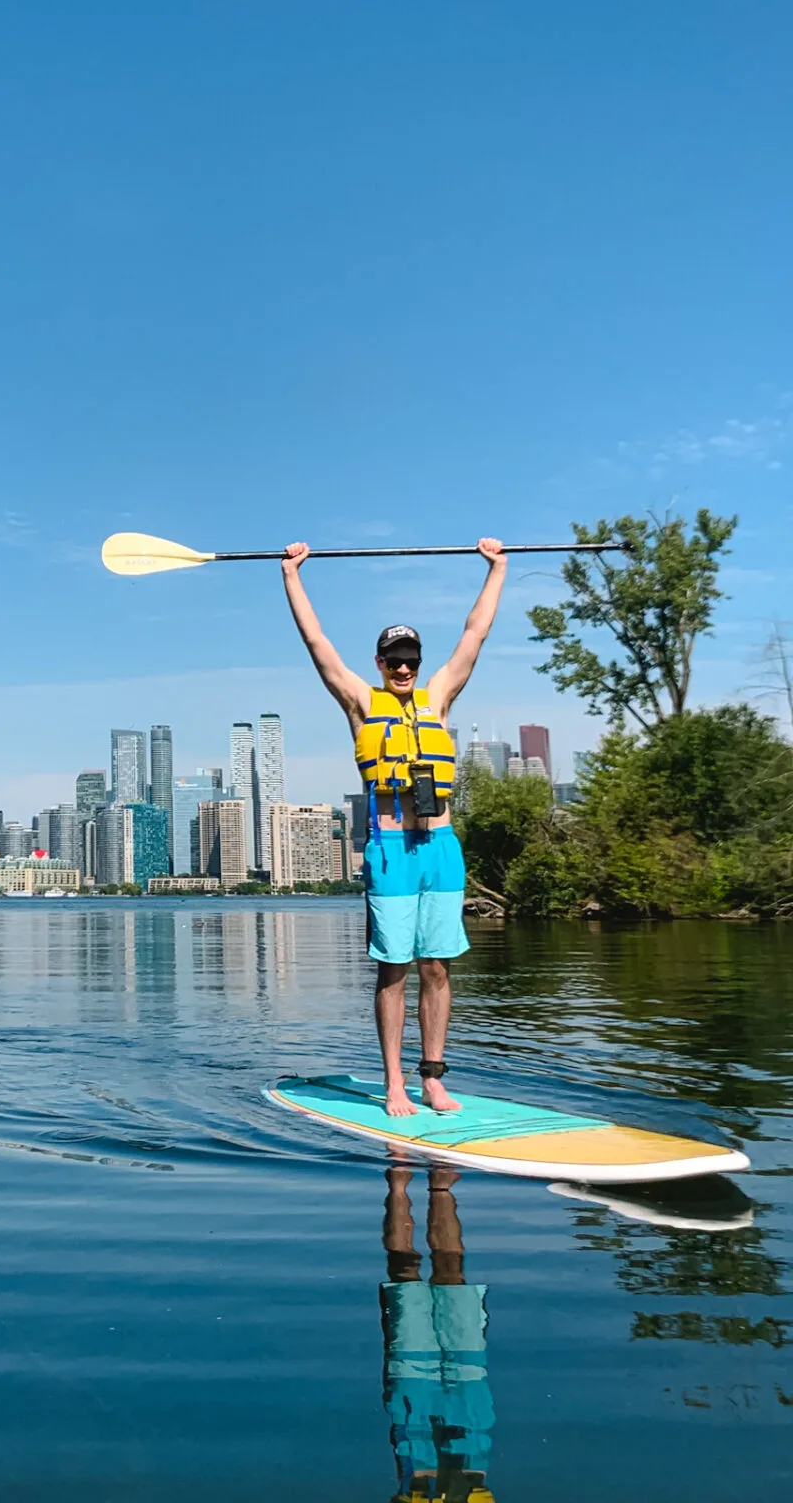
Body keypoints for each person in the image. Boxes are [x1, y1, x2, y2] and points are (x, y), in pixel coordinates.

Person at [281, 538, 507, 1116]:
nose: (404, 667)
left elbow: (474, 636)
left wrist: (497, 568)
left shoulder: (438, 699)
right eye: (394, 659)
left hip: (441, 846)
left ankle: (433, 1076)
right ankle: (394, 1083)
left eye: (411, 658)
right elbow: (317, 645)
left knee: (437, 965)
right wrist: (292, 576)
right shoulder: (361, 700)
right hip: (390, 848)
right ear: (380, 664)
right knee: (394, 968)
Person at [380, 1165, 496, 1503]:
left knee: (405, 1273)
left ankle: (398, 1184)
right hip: (470, 1394)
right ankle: (441, 1189)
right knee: (451, 1274)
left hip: (411, 1379)